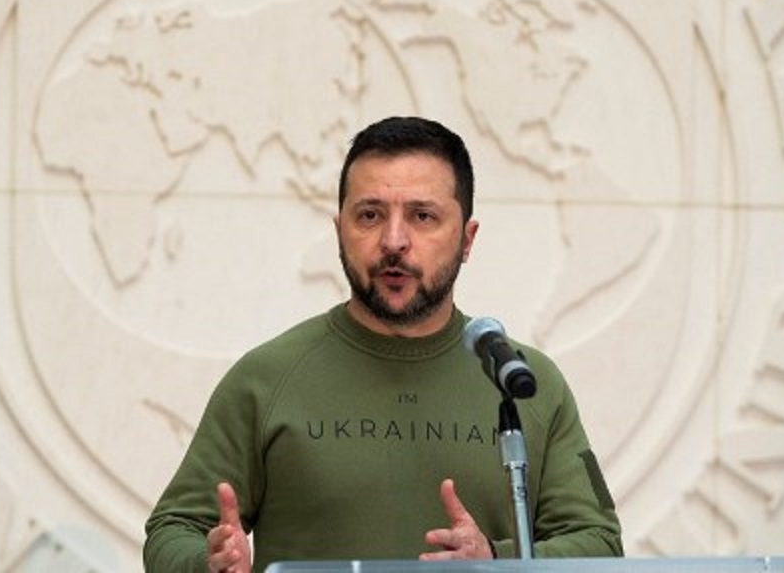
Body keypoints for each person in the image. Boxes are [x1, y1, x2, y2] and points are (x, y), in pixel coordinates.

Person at [144, 116, 623, 572]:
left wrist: (495, 561)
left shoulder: (520, 381)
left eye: (422, 216)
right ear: (339, 232)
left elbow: (599, 544)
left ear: (467, 239)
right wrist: (205, 563)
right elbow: (174, 528)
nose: (394, 240)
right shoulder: (266, 377)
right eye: (370, 215)